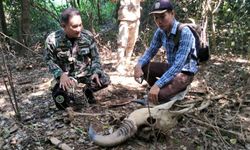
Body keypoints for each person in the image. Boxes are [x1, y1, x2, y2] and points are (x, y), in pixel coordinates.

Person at [134, 0, 198, 105]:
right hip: (171, 67)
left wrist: (158, 84)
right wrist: (139, 64)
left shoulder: (184, 32)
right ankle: (160, 91)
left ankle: (170, 91)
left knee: (159, 96)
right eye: (156, 18)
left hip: (184, 73)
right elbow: (151, 51)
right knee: (145, 68)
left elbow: (178, 65)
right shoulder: (160, 32)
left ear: (172, 13)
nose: (159, 21)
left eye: (162, 16)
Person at [44, 7, 110, 109]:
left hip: (85, 73)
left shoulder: (87, 36)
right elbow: (49, 60)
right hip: (67, 77)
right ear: (63, 26)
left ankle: (88, 91)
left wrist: (96, 72)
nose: (79, 29)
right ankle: (68, 95)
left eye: (80, 25)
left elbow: (95, 57)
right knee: (60, 98)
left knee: (104, 79)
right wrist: (60, 74)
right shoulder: (52, 40)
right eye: (74, 26)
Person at [111, 0, 144, 74]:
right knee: (122, 43)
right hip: (124, 19)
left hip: (135, 19)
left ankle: (127, 63)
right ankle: (120, 65)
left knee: (132, 42)